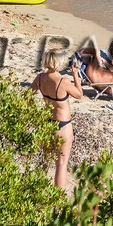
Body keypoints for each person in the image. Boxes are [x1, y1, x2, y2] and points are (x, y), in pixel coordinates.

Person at [33, 53, 81, 192]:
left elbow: (26, 96)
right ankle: (57, 198)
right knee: (61, 163)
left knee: (44, 160)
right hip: (63, 125)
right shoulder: (63, 81)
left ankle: (37, 190)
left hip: (47, 122)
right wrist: (76, 75)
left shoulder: (40, 78)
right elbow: (79, 95)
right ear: (58, 63)